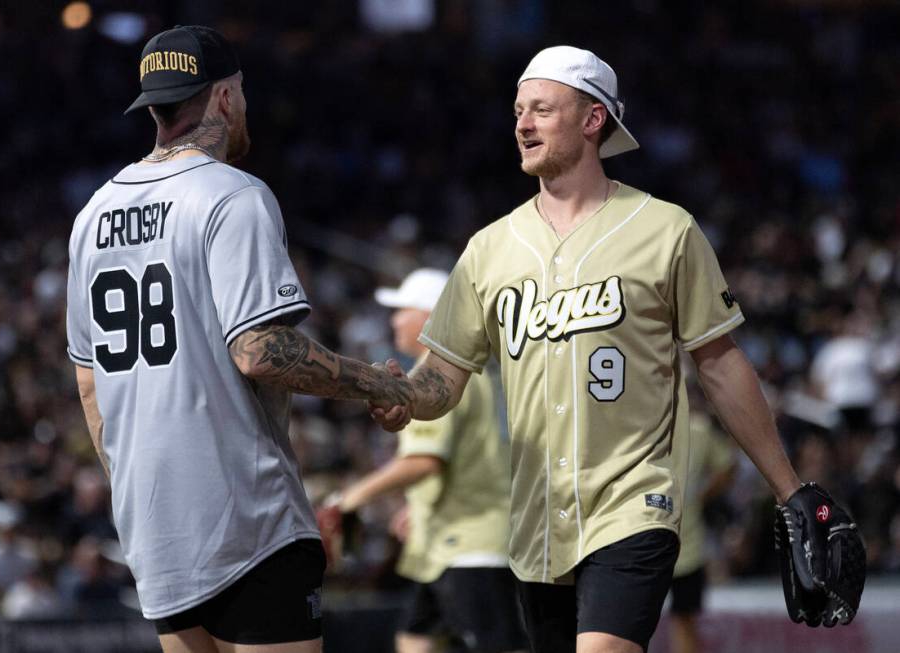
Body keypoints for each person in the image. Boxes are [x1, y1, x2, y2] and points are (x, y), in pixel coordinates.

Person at [370, 46, 843, 653]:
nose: (522, 123)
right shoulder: (489, 249)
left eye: (542, 108)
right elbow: (445, 378)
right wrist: (403, 398)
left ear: (594, 120)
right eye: (518, 110)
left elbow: (720, 365)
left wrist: (791, 489)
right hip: (537, 520)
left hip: (633, 504)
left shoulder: (665, 229)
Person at [66, 26, 412, 653]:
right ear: (225, 96)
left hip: (153, 524)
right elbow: (258, 351)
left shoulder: (91, 216)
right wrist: (377, 383)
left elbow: (90, 382)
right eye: (243, 93)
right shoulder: (232, 195)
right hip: (244, 518)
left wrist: (134, 483)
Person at [324, 268, 527, 653]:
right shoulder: (479, 372)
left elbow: (425, 461)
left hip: (468, 540)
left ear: (430, 317)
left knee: (498, 646)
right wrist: (419, 508)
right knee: (415, 637)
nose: (395, 318)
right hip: (453, 536)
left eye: (403, 309)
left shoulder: (432, 378)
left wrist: (349, 498)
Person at [667, 409, 736, 653]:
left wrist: (702, 496)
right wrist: (701, 496)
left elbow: (727, 465)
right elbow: (728, 465)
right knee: (682, 620)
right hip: (684, 542)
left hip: (683, 542)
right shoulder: (697, 427)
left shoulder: (697, 428)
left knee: (682, 619)